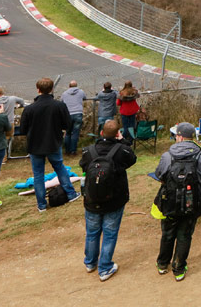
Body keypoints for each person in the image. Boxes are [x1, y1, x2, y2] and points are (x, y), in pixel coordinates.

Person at [154, 123, 201, 280]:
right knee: (185, 235)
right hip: (192, 202)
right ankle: (179, 268)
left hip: (169, 202)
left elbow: (159, 175)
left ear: (180, 137)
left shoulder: (167, 155)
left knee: (167, 233)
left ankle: (162, 264)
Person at [80, 119, 136, 281]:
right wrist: (122, 141)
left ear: (101, 133)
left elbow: (83, 165)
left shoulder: (88, 151)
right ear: (118, 134)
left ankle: (90, 263)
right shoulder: (122, 151)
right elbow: (132, 159)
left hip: (92, 199)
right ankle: (104, 268)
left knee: (92, 232)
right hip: (114, 199)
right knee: (110, 234)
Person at [19, 77, 79, 212]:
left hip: (35, 145)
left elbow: (22, 129)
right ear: (52, 89)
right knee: (60, 167)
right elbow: (68, 124)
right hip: (53, 142)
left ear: (38, 90)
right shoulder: (59, 105)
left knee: (38, 174)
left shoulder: (30, 109)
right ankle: (71, 194)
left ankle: (41, 204)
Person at [62, 80, 86, 155]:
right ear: (76, 86)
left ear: (69, 86)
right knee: (75, 133)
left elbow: (61, 101)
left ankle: (67, 150)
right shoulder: (81, 92)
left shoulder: (64, 93)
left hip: (68, 114)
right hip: (78, 113)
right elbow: (85, 98)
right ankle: (73, 150)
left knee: (68, 133)